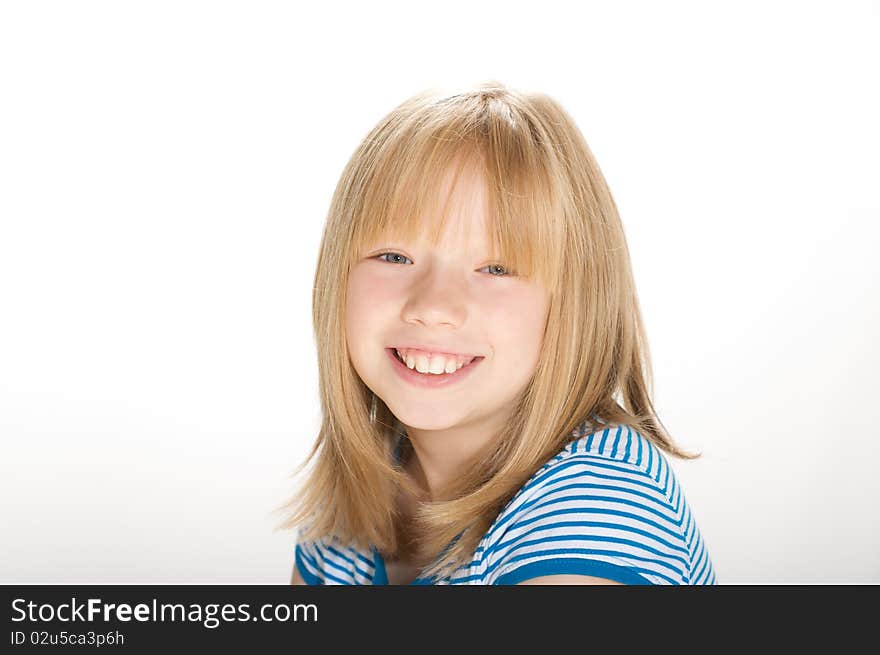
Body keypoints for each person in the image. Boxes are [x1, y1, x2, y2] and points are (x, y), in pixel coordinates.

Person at [277, 81, 717, 585]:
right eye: (395, 256)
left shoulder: (597, 506)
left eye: (496, 268)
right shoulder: (347, 508)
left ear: (574, 300)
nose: (433, 307)